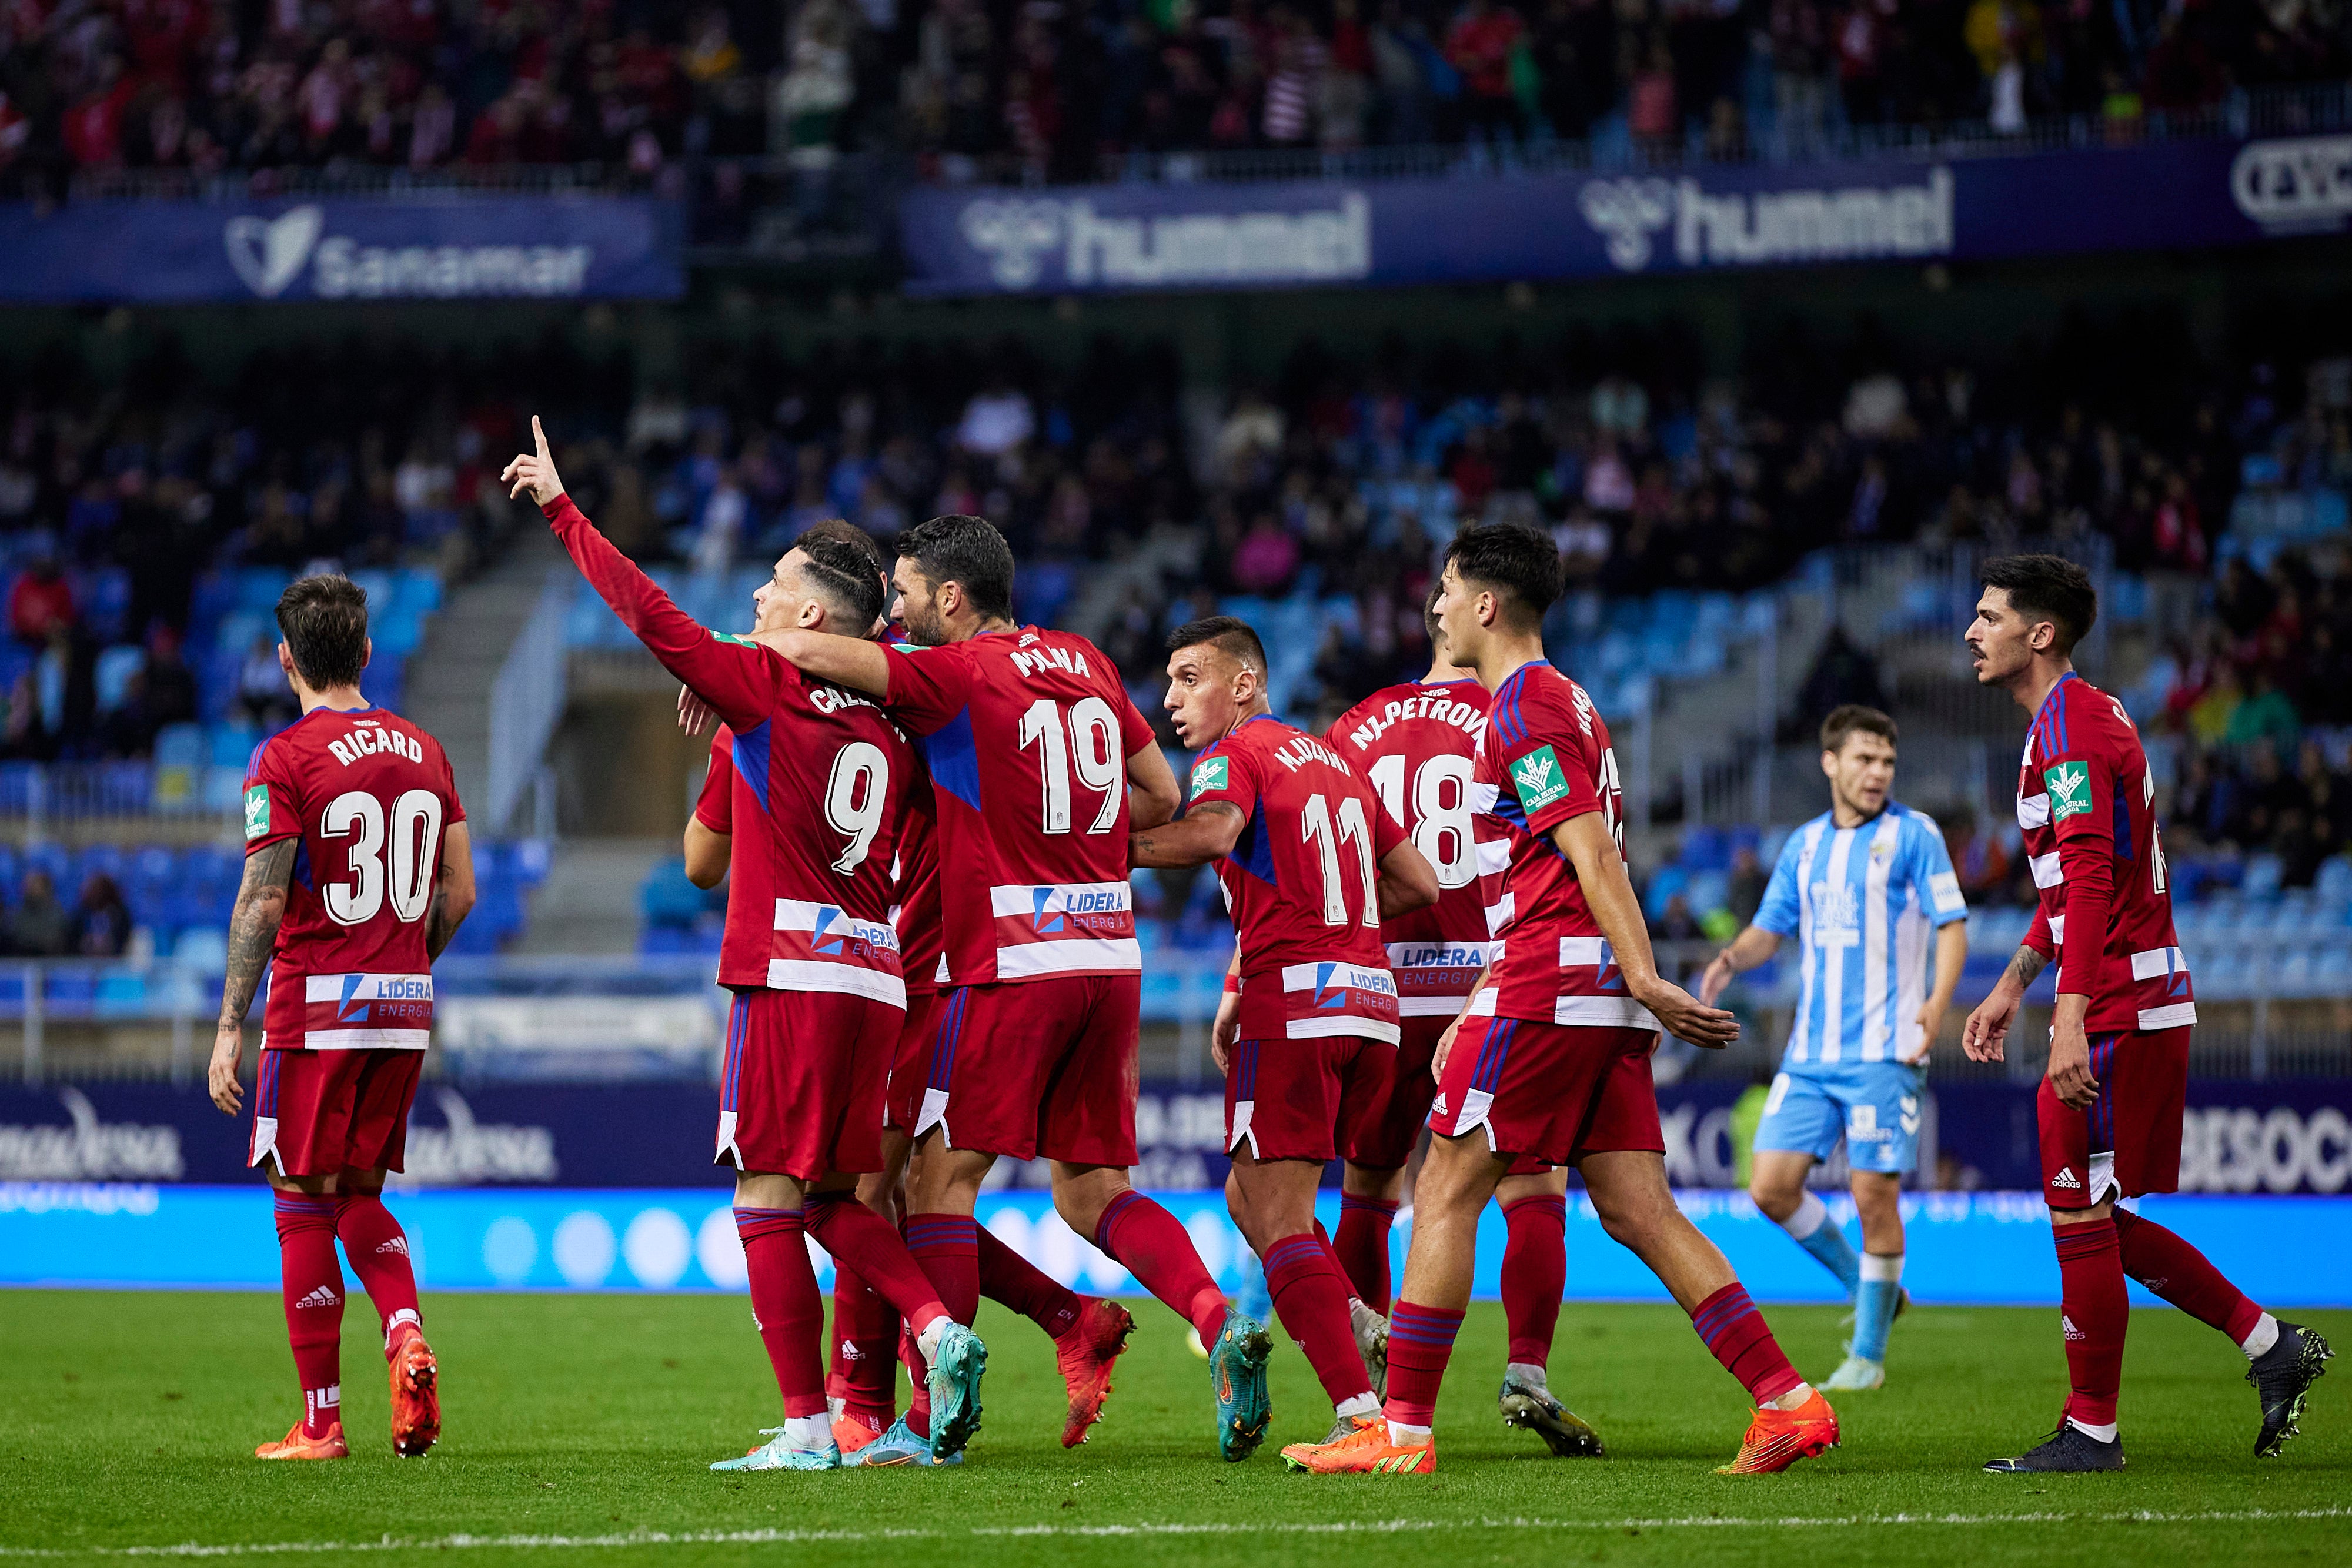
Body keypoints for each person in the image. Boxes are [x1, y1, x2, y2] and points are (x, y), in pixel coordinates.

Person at [724, 509, 1277, 1462]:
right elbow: (1160, 795)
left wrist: (737, 658)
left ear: (950, 596)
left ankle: (901, 1418)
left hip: (980, 959)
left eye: (903, 598)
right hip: (1105, 951)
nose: (894, 617)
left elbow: (846, 662)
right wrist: (1080, 854)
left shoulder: (954, 679)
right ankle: (1202, 1311)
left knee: (913, 1187)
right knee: (1089, 1189)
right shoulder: (1090, 663)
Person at [1285, 524, 1837, 1477]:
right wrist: (1617, 983)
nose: (1441, 608)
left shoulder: (1524, 708)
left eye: (1450, 591)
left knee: (1444, 1186)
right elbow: (1565, 856)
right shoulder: (1570, 700)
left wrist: (1645, 976)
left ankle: (1402, 1429)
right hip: (1584, 989)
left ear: (1487, 604)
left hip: (1558, 984)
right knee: (1638, 1208)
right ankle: (1789, 1399)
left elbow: (1589, 851)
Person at [507, 419, 987, 1472]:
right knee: (829, 1199)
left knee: (764, 1196)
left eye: (775, 585)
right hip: (874, 977)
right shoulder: (892, 716)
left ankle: (809, 1428)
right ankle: (942, 1330)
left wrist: (561, 505)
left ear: (814, 613)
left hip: (791, 974)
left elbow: (648, 614)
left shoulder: (763, 690)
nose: (759, 597)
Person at [1962, 554, 2332, 1473]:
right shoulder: (2066, 720)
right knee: (2089, 1213)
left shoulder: (2075, 724)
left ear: (2039, 633)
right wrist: (2015, 980)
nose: (1972, 630)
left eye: (1988, 615)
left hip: (2123, 1003)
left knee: (2077, 1210)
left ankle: (2092, 1432)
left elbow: (2090, 879)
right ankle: (2268, 1343)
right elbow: (2066, 888)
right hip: (2126, 993)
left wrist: (2069, 1015)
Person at [1130, 616, 1438, 1453]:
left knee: (1279, 1214)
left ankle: (1362, 1416)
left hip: (1297, 1003)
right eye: (1168, 681)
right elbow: (1420, 880)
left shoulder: (1234, 755)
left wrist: (1091, 846)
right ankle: (1360, 1322)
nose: (1171, 699)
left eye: (1189, 677)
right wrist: (1330, 923)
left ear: (1243, 683)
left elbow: (1211, 832)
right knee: (1253, 1200)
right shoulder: (1338, 760)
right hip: (1374, 1008)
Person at [1322, 597, 1603, 1457]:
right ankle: (1528, 1370)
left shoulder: (1360, 722)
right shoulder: (1514, 706)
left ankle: (1375, 1392)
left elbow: (1318, 847)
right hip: (1496, 984)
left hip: (1382, 987)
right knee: (1531, 1189)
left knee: (1371, 1193)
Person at [205, 574, 475, 1463]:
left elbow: (263, 898)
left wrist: (228, 1023)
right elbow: (460, 892)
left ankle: (321, 1421)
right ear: (366, 651)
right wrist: (401, 963)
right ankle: (405, 1333)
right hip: (403, 1006)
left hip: (317, 1007)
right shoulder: (428, 750)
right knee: (362, 1194)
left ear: (285, 659)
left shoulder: (282, 759)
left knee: (300, 1204)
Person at [1699, 704, 1969, 1391]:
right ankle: (1867, 1284)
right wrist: (1733, 959)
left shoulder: (1915, 835)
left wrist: (1933, 1009)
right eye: (1863, 760)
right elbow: (1770, 929)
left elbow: (1951, 927)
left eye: (1886, 763)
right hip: (1811, 1054)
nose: (1877, 773)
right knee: (1770, 1186)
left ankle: (1867, 1358)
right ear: (1830, 763)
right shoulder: (1805, 846)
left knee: (1873, 1197)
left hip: (1885, 1050)